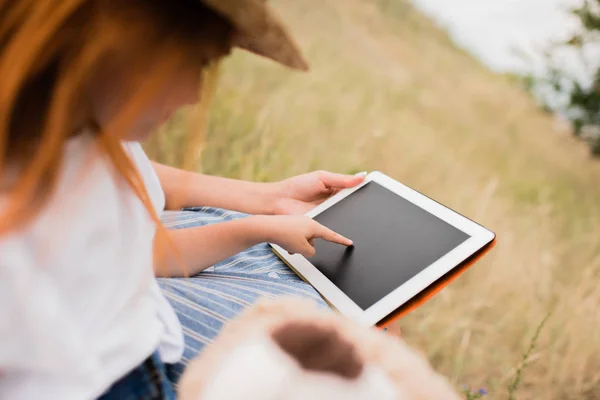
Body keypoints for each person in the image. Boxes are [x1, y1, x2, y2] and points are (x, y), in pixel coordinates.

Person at [0, 0, 365, 399]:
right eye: (197, 62)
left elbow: (140, 249)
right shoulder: (20, 232)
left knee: (361, 317)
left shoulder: (88, 138)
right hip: (117, 381)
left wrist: (268, 209)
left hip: (145, 348)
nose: (194, 96)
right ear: (119, 36)